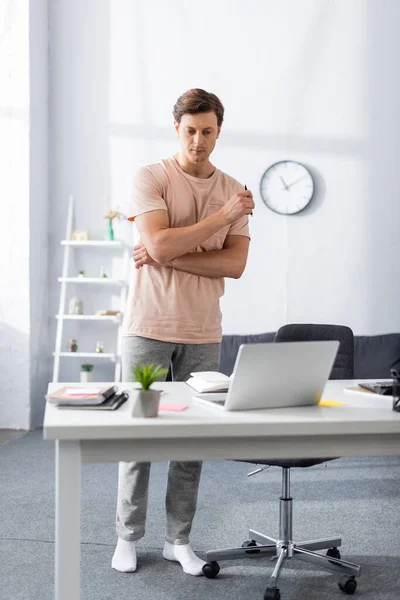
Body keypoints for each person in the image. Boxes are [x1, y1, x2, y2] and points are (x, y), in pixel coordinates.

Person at [112, 88, 254, 576]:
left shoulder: (235, 187)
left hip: (202, 331)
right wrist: (219, 220)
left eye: (208, 131)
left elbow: (234, 265)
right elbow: (156, 242)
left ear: (219, 131)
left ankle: (179, 540)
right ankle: (127, 537)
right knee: (139, 438)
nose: (198, 141)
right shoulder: (150, 177)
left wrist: (171, 252)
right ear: (177, 128)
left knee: (190, 441)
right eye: (190, 131)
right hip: (147, 326)